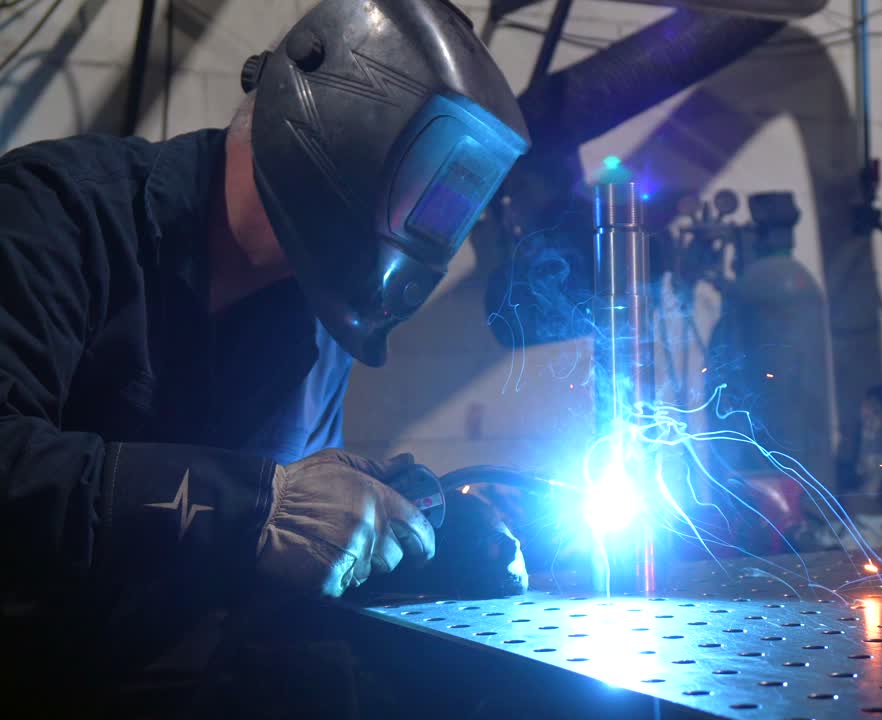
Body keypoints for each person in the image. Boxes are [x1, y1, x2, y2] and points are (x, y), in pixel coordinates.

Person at [0, 0, 530, 708]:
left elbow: (287, 554)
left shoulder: (317, 323)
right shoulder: (53, 216)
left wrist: (390, 533)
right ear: (330, 121)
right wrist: (249, 506)